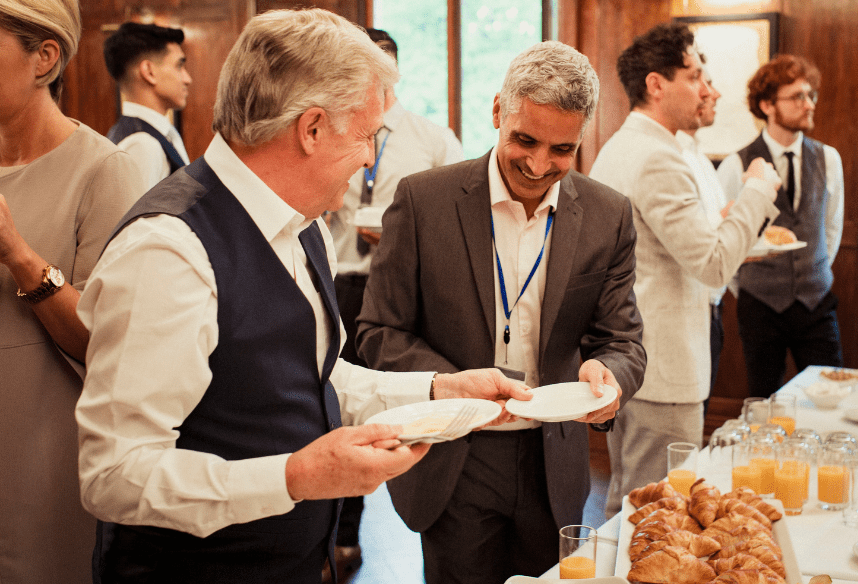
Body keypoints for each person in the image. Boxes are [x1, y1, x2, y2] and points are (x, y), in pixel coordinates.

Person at [75, 10, 530, 583]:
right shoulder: (169, 252)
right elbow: (113, 475)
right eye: (366, 135)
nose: (370, 158)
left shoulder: (304, 224)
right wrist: (293, 477)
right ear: (311, 128)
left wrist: (439, 389)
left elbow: (311, 376)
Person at [356, 41, 645, 583]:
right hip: (455, 454)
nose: (538, 165)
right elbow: (378, 332)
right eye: (524, 139)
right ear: (497, 111)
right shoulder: (423, 201)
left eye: (561, 150)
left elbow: (623, 341)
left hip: (552, 460)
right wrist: (449, 382)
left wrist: (609, 378)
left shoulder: (609, 214)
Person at [589, 22, 781, 515]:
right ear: (656, 84)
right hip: (663, 362)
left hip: (631, 356)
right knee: (661, 510)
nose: (707, 88)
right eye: (694, 75)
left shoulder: (626, 146)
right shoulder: (655, 157)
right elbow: (714, 264)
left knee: (628, 501)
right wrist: (758, 189)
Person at [0, 0, 146, 581]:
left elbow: (106, 342)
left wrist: (18, 255)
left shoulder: (104, 171)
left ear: (45, 57)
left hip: (45, 452)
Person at [327, 27, 464, 581]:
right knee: (330, 399)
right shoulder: (335, 130)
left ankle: (412, 504)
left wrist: (400, 236)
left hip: (396, 288)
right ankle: (339, 534)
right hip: (336, 276)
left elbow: (458, 217)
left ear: (394, 72)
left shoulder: (431, 137)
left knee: (381, 402)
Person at [715, 54, 845, 398]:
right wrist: (748, 288)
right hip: (760, 305)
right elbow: (722, 233)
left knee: (828, 396)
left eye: (811, 95)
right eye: (797, 97)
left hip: (817, 302)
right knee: (763, 399)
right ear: (767, 105)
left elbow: (831, 228)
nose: (808, 104)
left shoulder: (828, 158)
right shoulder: (735, 164)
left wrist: (814, 272)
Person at [676, 64, 731, 407]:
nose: (714, 92)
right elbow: (695, 243)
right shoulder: (673, 158)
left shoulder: (701, 158)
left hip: (711, 307)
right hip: (685, 313)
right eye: (701, 81)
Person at [102, 22, 192, 190]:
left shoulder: (150, 135)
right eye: (179, 66)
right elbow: (136, 217)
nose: (187, 79)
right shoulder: (143, 145)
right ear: (149, 71)